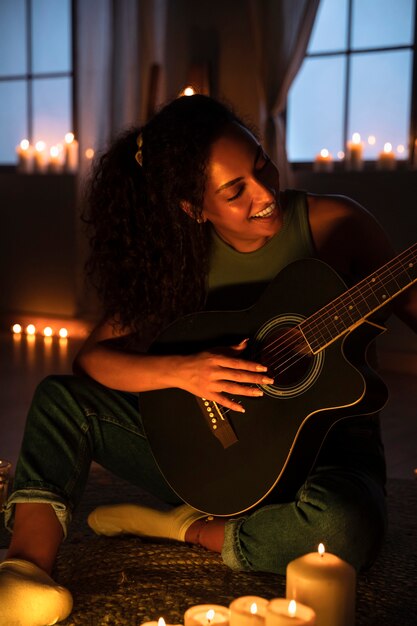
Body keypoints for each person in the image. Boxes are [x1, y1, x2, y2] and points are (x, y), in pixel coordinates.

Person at [1, 94, 416, 626]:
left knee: (342, 530)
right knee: (61, 400)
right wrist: (186, 371)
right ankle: (26, 570)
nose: (265, 192)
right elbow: (94, 360)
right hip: (216, 455)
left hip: (329, 457)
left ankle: (185, 527)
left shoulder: (335, 223)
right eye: (234, 189)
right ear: (194, 208)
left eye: (261, 162)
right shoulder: (182, 259)